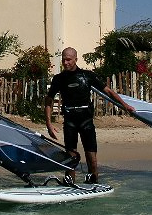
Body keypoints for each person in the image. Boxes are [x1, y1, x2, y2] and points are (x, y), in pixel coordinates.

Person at [44, 46, 135, 184]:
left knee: (91, 159)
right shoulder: (59, 79)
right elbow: (49, 100)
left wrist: (125, 106)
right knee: (70, 158)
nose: (66, 63)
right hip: (70, 122)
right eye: (63, 60)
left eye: (68, 60)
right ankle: (69, 185)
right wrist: (49, 124)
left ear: (76, 59)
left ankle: (93, 183)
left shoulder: (88, 76)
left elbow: (108, 92)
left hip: (86, 121)